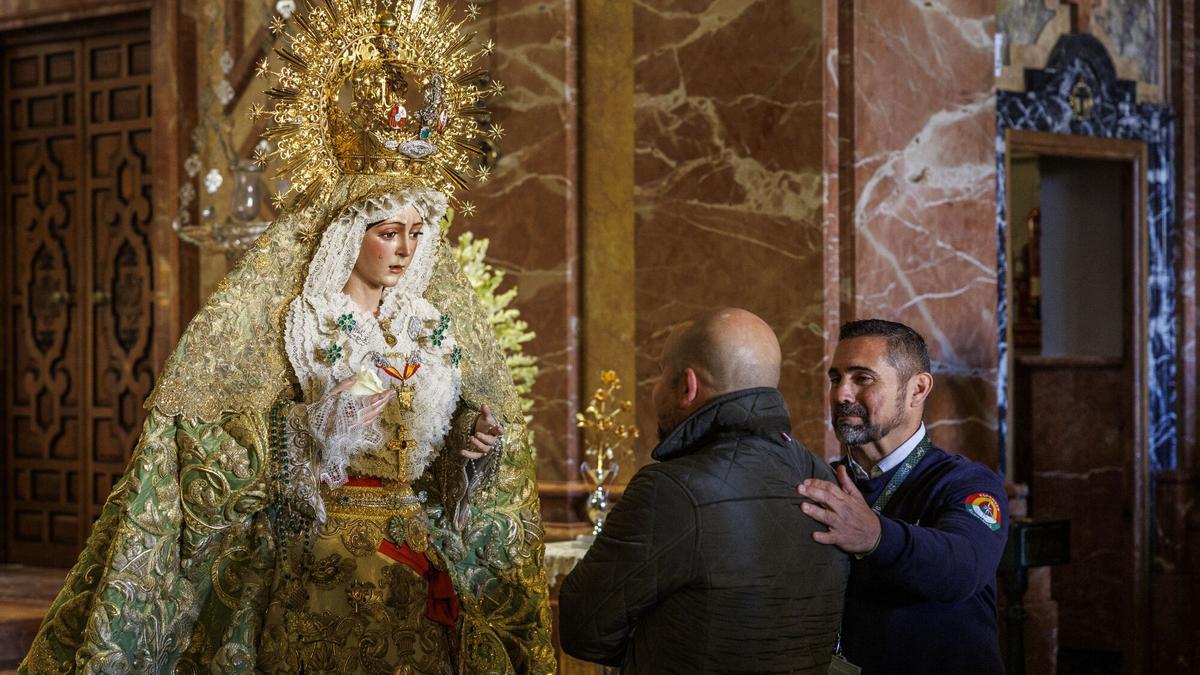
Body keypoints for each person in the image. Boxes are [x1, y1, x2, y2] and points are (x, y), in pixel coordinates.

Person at [20, 3, 553, 673]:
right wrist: (317, 425)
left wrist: (471, 443)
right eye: (388, 231)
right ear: (348, 231)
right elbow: (230, 454)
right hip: (320, 564)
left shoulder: (427, 329)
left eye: (416, 234)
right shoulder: (299, 325)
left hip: (413, 560)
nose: (404, 249)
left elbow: (443, 480)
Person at [559, 308, 848, 674]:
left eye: (660, 372)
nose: (654, 387)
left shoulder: (670, 489)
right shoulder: (825, 478)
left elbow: (582, 628)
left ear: (687, 386)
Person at [799, 319, 1007, 674]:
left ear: (917, 389)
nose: (841, 395)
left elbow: (963, 568)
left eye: (862, 378)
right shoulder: (822, 481)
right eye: (836, 378)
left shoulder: (966, 482)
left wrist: (875, 537)